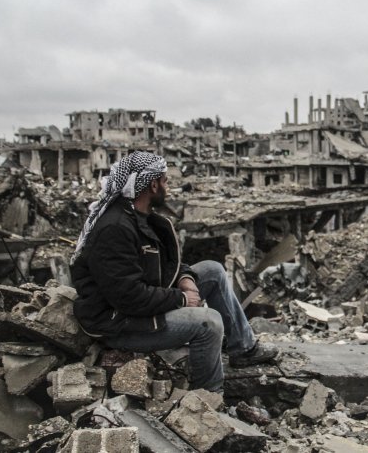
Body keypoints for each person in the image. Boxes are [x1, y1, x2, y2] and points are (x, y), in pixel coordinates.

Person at [70, 151, 278, 393]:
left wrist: (185, 279)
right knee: (208, 323)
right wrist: (180, 299)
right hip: (119, 324)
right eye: (166, 181)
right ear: (153, 184)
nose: (168, 187)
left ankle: (243, 349)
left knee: (213, 270)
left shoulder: (141, 218)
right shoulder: (115, 229)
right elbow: (128, 297)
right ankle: (209, 398)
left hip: (140, 306)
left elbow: (167, 264)